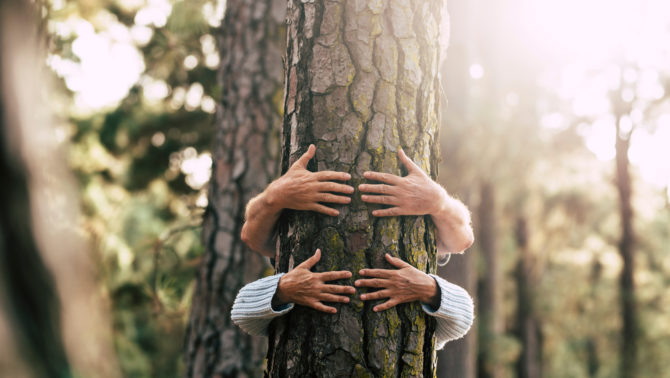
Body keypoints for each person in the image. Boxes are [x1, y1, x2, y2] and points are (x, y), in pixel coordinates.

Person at [233, 145, 475, 349]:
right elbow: (242, 311)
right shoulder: (288, 254)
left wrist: (440, 204)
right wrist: (285, 288)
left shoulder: (425, 254)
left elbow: (463, 310)